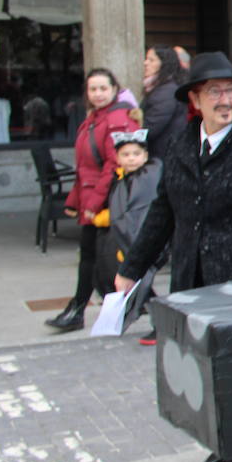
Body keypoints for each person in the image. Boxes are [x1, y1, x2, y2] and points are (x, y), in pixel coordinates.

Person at [115, 52, 232, 462]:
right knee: (205, 365)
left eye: (231, 90)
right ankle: (223, 440)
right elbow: (163, 212)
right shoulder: (180, 146)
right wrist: (133, 269)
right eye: (214, 91)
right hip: (193, 276)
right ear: (194, 99)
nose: (225, 99)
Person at [45, 69, 140, 333]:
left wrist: (94, 202)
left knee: (107, 258)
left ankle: (82, 308)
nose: (97, 94)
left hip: (110, 201)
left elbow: (114, 163)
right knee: (96, 256)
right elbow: (85, 166)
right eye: (92, 89)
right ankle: (79, 308)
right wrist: (76, 200)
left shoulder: (117, 118)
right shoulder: (94, 119)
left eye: (102, 88)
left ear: (113, 89)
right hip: (95, 199)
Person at [104, 129, 163, 346]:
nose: (131, 158)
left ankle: (161, 325)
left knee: (143, 280)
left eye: (136, 153)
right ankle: (160, 322)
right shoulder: (124, 181)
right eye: (126, 154)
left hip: (148, 241)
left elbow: (142, 212)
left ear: (145, 156)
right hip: (135, 242)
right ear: (118, 158)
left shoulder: (148, 177)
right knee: (142, 284)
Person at [140, 46, 187, 160]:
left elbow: (150, 128)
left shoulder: (166, 91)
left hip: (163, 156)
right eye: (146, 59)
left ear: (164, 64)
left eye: (151, 60)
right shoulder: (160, 88)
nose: (145, 63)